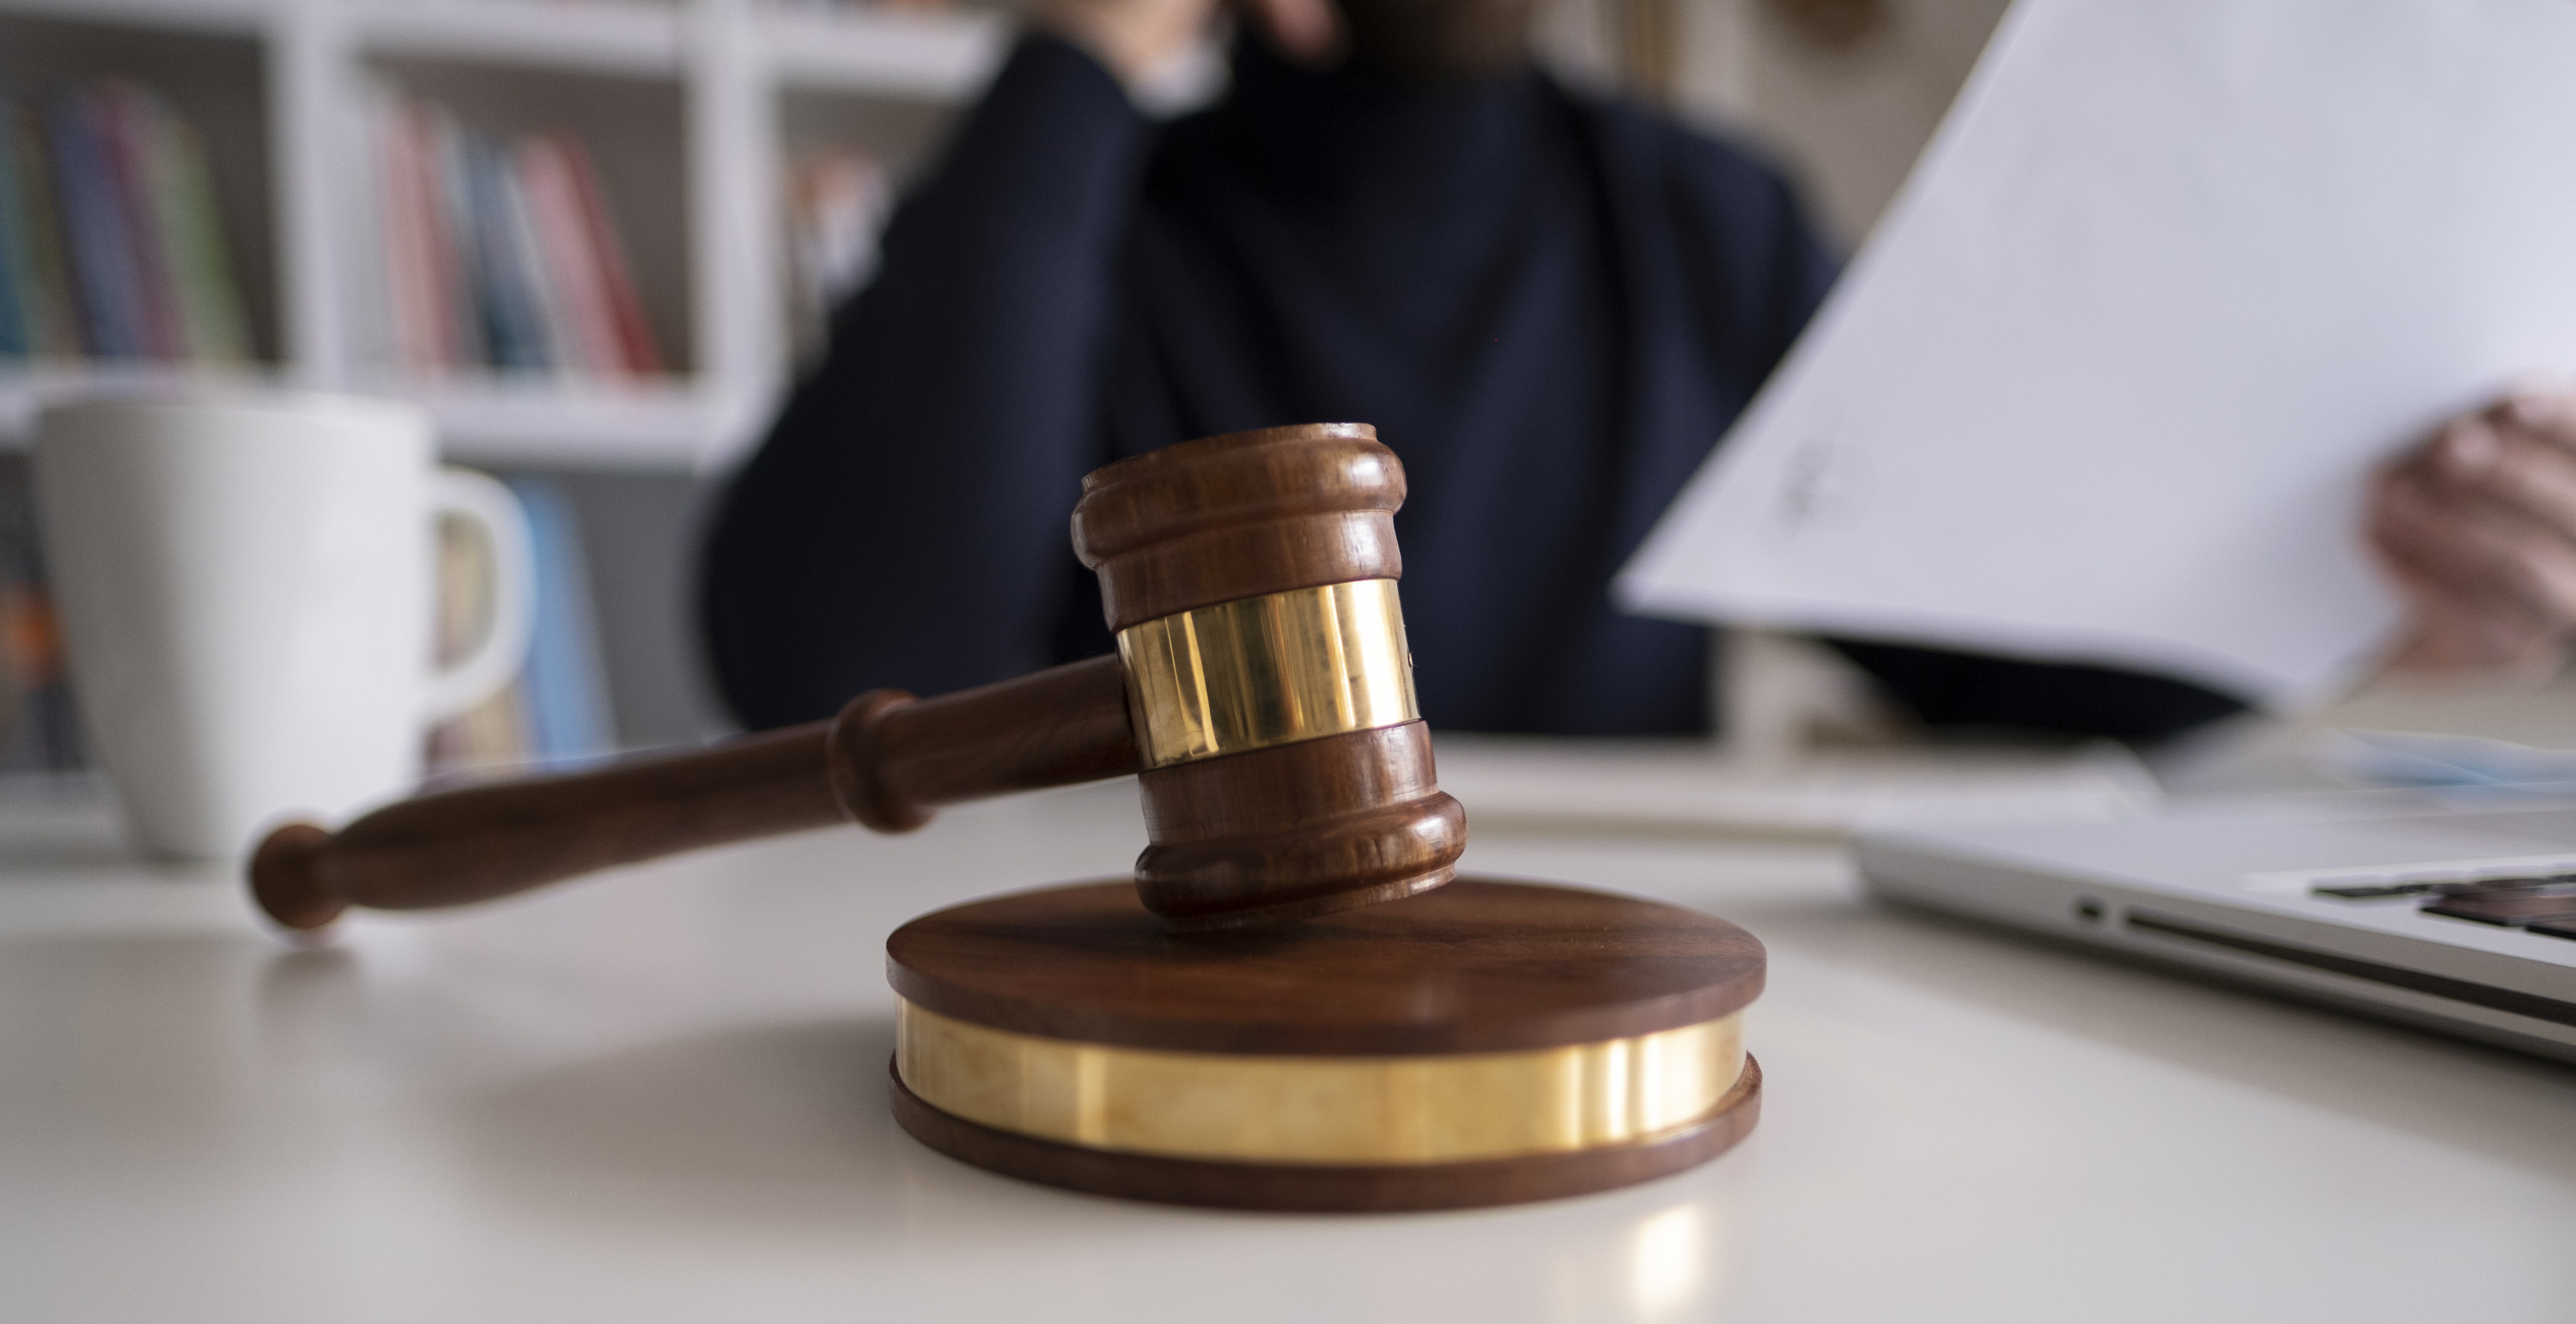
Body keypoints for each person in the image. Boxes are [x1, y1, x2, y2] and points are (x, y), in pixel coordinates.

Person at [700, 0, 2576, 741]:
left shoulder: (1699, 223)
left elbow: (1998, 637)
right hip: (1144, 1060)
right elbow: (833, 677)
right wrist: (1079, 46)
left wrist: (2364, 586)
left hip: (1618, 1072)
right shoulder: (1078, 229)